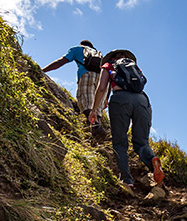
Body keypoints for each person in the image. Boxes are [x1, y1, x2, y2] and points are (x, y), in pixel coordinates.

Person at [89, 49, 163, 189]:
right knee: (141, 142)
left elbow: (101, 88)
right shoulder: (135, 68)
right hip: (142, 100)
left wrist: (94, 110)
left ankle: (127, 180)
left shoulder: (108, 66)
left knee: (120, 143)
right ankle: (152, 161)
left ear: (112, 58)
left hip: (120, 100)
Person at [42, 40, 102, 118]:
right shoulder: (99, 54)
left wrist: (42, 71)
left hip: (87, 75)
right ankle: (96, 127)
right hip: (101, 79)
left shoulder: (78, 49)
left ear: (81, 45)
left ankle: (96, 127)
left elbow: (60, 62)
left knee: (86, 104)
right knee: (97, 109)